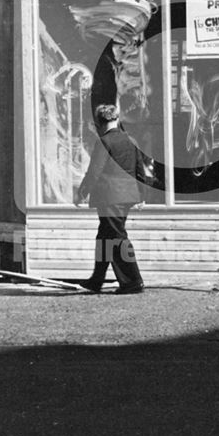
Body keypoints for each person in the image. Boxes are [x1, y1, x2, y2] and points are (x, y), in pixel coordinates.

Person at [76, 104, 146, 294]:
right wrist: (141, 196)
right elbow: (140, 169)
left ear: (99, 122)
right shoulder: (130, 140)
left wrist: (82, 193)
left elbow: (94, 172)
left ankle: (133, 281)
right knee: (104, 237)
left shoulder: (104, 142)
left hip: (109, 197)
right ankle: (96, 280)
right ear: (117, 119)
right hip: (127, 196)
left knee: (117, 237)